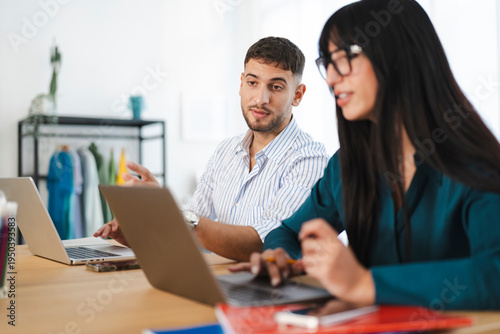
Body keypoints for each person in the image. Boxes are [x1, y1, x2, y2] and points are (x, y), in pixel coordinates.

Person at [230, 0, 500, 310]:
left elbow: (495, 272)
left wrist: (363, 284)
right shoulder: (345, 167)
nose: (331, 78)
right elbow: (288, 231)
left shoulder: (473, 164)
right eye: (327, 63)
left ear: (399, 56)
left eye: (344, 58)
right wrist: (278, 257)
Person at [94, 37, 329, 262]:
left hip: (274, 292)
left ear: (297, 95)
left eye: (276, 87)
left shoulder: (309, 160)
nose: (260, 99)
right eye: (252, 82)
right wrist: (139, 235)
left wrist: (170, 210)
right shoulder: (225, 151)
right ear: (241, 83)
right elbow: (192, 227)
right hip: (222, 279)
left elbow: (269, 244)